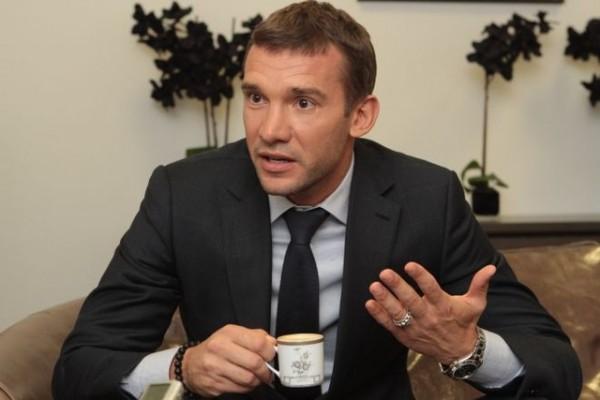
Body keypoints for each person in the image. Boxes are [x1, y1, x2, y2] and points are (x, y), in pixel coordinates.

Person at [52, 2, 582, 399]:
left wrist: (465, 348)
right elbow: (81, 367)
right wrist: (183, 368)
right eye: (256, 97)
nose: (270, 130)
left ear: (360, 116)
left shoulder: (426, 198)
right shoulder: (184, 195)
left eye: (303, 102)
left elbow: (556, 368)